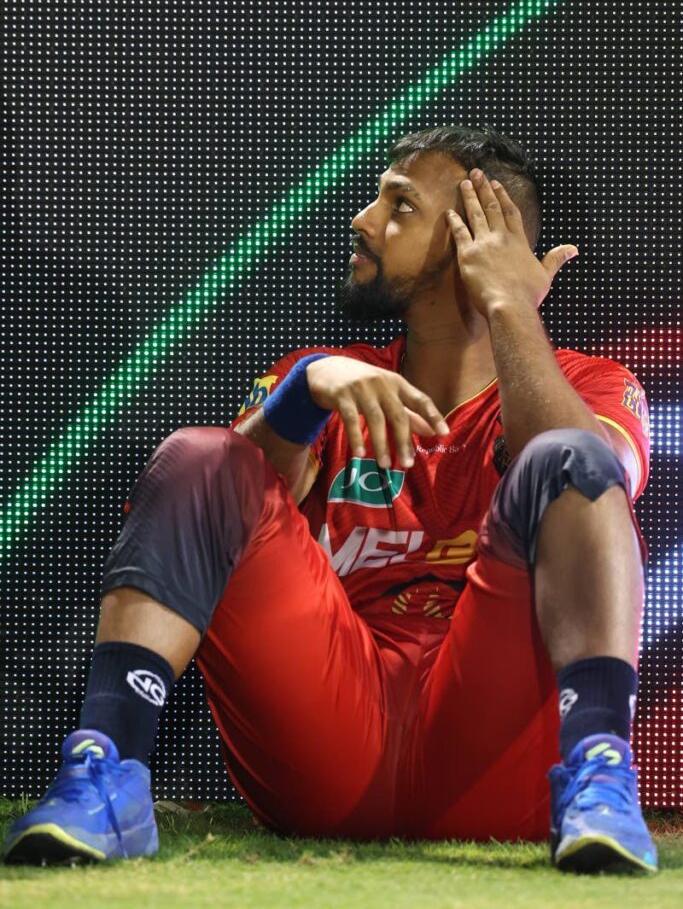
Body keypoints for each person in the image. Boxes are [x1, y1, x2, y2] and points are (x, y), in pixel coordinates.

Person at [4, 125, 657, 873]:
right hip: (331, 747)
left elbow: (592, 474)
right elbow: (210, 506)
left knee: (568, 456)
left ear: (470, 239)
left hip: (500, 767)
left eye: (399, 205)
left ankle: (600, 773)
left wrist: (509, 306)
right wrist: (304, 389)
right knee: (199, 454)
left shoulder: (595, 382)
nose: (362, 219)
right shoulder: (323, 379)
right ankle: (103, 769)